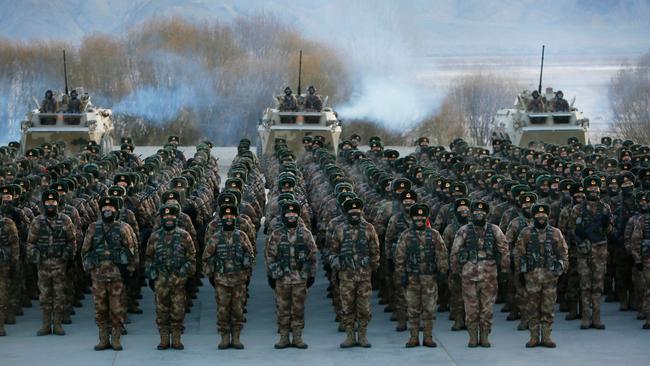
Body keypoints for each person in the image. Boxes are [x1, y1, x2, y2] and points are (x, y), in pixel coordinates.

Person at [451, 200, 509, 348]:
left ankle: (484, 336)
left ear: (486, 214)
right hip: (468, 276)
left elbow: (504, 250)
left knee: (487, 309)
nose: (479, 214)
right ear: (472, 214)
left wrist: (504, 270)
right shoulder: (464, 230)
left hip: (489, 276)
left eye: (481, 212)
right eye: (476, 212)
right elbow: (455, 252)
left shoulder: (495, 230)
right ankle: (472, 337)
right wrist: (455, 272)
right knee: (471, 308)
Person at [81, 197, 137, 351]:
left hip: (116, 277)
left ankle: (116, 338)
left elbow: (132, 250)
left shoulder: (123, 228)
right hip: (98, 276)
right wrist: (89, 268)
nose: (107, 210)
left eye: (111, 208)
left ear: (116, 210)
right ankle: (103, 339)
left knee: (116, 309)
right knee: (100, 309)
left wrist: (129, 272)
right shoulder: (93, 227)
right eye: (105, 208)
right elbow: (85, 250)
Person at [328, 198, 380, 348]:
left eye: (357, 212)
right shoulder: (340, 229)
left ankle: (362, 336)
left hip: (364, 277)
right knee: (347, 308)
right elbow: (332, 252)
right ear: (346, 213)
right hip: (346, 277)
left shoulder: (369, 228)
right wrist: (338, 265)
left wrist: (373, 267)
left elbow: (375, 251)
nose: (355, 215)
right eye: (351, 212)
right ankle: (350, 336)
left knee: (364, 308)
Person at [265, 200, 317, 349]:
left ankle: (297, 337)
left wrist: (310, 275)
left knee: (298, 309)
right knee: (282, 309)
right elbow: (270, 256)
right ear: (283, 215)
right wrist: (273, 275)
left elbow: (312, 256)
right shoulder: (276, 235)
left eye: (294, 213)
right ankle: (283, 338)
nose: (291, 215)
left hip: (300, 279)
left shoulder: (305, 234)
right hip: (282, 280)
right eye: (288, 213)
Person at [515, 203, 568, 348]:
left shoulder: (556, 233)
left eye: (543, 214)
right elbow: (519, 254)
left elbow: (563, 253)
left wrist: (562, 268)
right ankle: (533, 337)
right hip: (532, 278)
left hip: (550, 278)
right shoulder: (525, 233)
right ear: (533, 217)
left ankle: (546, 337)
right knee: (532, 308)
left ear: (547, 216)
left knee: (548, 308)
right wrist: (520, 272)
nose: (541, 216)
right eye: (538, 215)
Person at [395, 203, 448, 348]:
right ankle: (413, 338)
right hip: (412, 278)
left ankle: (428, 338)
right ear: (412, 218)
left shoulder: (434, 234)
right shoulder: (406, 235)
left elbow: (442, 254)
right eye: (416, 216)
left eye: (422, 216)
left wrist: (443, 272)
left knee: (429, 310)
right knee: (413, 309)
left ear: (426, 217)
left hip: (429, 278)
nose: (419, 219)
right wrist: (402, 275)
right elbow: (400, 256)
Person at [202, 204, 255, 350]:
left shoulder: (242, 236)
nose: (229, 218)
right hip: (221, 281)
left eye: (231, 216)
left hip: (239, 281)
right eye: (226, 216)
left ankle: (236, 338)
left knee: (238, 310)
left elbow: (250, 254)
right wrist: (212, 275)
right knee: (223, 311)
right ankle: (224, 338)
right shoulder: (215, 238)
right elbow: (206, 258)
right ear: (221, 218)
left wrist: (246, 271)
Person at [145, 204, 197, 350]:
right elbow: (148, 257)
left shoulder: (184, 235)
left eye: (172, 216)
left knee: (178, 311)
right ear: (162, 218)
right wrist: (152, 274)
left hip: (178, 281)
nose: (169, 219)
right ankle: (163, 340)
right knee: (162, 312)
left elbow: (192, 257)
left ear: (176, 218)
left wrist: (185, 273)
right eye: (166, 217)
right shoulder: (155, 236)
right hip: (161, 281)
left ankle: (176, 339)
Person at [26, 190, 76, 336]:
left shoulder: (66, 220)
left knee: (60, 295)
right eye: (47, 202)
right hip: (43, 264)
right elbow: (30, 243)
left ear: (57, 203)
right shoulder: (37, 221)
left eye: (53, 202)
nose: (50, 205)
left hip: (60, 264)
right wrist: (35, 257)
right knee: (45, 295)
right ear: (43, 203)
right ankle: (46, 324)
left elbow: (72, 241)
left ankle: (58, 324)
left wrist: (67, 256)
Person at [568, 176, 612, 330]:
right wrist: (580, 235)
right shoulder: (577, 209)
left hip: (599, 251)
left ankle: (597, 318)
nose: (593, 191)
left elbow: (609, 231)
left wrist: (607, 224)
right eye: (590, 189)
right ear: (586, 190)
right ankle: (586, 318)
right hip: (583, 252)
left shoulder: (605, 208)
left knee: (598, 286)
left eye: (596, 189)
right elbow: (571, 229)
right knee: (585, 285)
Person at [0, 188, 20, 337]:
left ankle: (2, 323)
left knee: (3, 293)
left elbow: (14, 243)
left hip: (4, 262)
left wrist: (14, 261)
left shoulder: (8, 222)